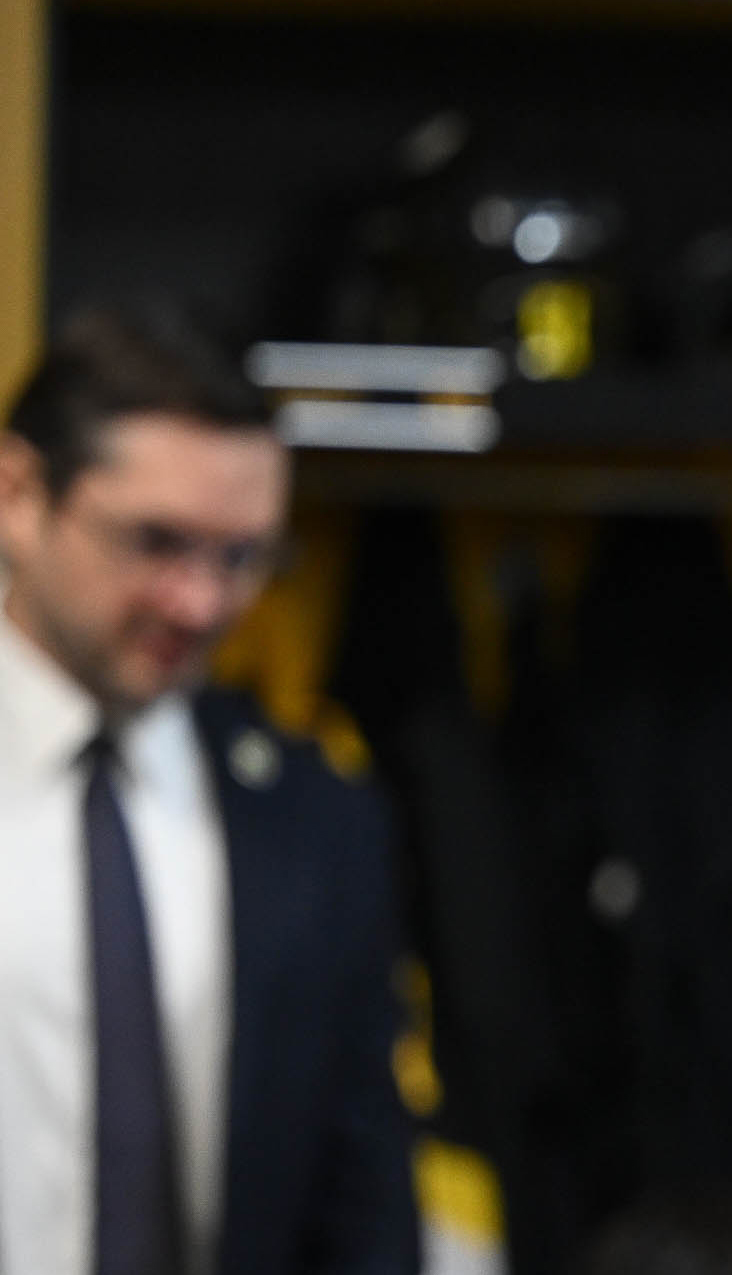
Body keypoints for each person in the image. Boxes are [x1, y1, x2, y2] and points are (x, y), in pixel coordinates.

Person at [0, 298, 418, 1275]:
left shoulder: (316, 820)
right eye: (155, 542)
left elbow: (361, 1203)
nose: (200, 602)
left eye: (241, 557)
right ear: (18, 495)